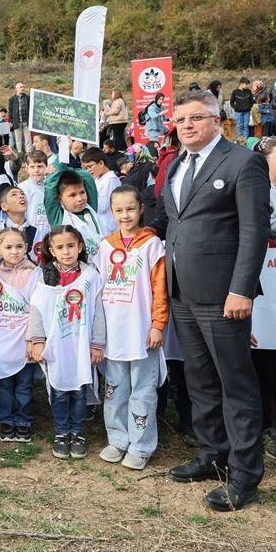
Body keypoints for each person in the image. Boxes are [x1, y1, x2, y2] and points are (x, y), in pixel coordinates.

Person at [157, 89, 269, 511]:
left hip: (224, 295)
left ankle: (244, 474)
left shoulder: (243, 162)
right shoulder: (176, 164)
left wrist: (242, 289)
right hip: (182, 292)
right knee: (200, 381)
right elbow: (175, 221)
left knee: (235, 383)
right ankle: (211, 453)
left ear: (217, 120)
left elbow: (255, 232)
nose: (186, 126)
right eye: (180, 119)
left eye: (195, 118)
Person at [96, 186, 168, 471]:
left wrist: (158, 325)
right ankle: (118, 439)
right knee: (114, 390)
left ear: (141, 210)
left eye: (130, 209)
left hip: (141, 332)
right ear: (111, 212)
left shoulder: (152, 245)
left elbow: (159, 288)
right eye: (118, 210)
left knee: (143, 391)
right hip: (113, 333)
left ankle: (141, 445)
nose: (125, 215)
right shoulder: (105, 246)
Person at [28, 226, 105, 461]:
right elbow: (37, 309)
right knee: (60, 391)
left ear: (80, 247)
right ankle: (62, 432)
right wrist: (37, 341)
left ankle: (77, 432)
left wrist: (97, 344)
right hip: (56, 345)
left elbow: (98, 312)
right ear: (51, 250)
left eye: (71, 246)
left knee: (80, 390)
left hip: (80, 344)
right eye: (60, 247)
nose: (66, 252)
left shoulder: (90, 276)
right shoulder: (43, 276)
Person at [0, 228, 38, 443]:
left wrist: (33, 339)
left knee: (25, 385)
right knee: (5, 385)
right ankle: (6, 420)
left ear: (26, 248)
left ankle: (23, 420)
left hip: (23, 338)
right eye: (8, 247)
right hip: (2, 339)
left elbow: (37, 308)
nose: (14, 252)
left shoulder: (34, 273)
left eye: (19, 247)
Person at [80, 147, 121, 234]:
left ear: (101, 163)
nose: (88, 170)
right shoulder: (97, 179)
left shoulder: (111, 179)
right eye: (86, 168)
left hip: (107, 227)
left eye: (90, 166)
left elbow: (102, 206)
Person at [6, 83, 31, 154]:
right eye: (21, 87)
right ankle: (20, 154)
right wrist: (10, 121)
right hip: (17, 122)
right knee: (18, 139)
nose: (22, 88)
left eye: (23, 87)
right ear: (16, 89)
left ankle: (28, 153)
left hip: (26, 121)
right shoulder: (12, 99)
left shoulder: (27, 97)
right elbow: (10, 111)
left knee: (28, 138)